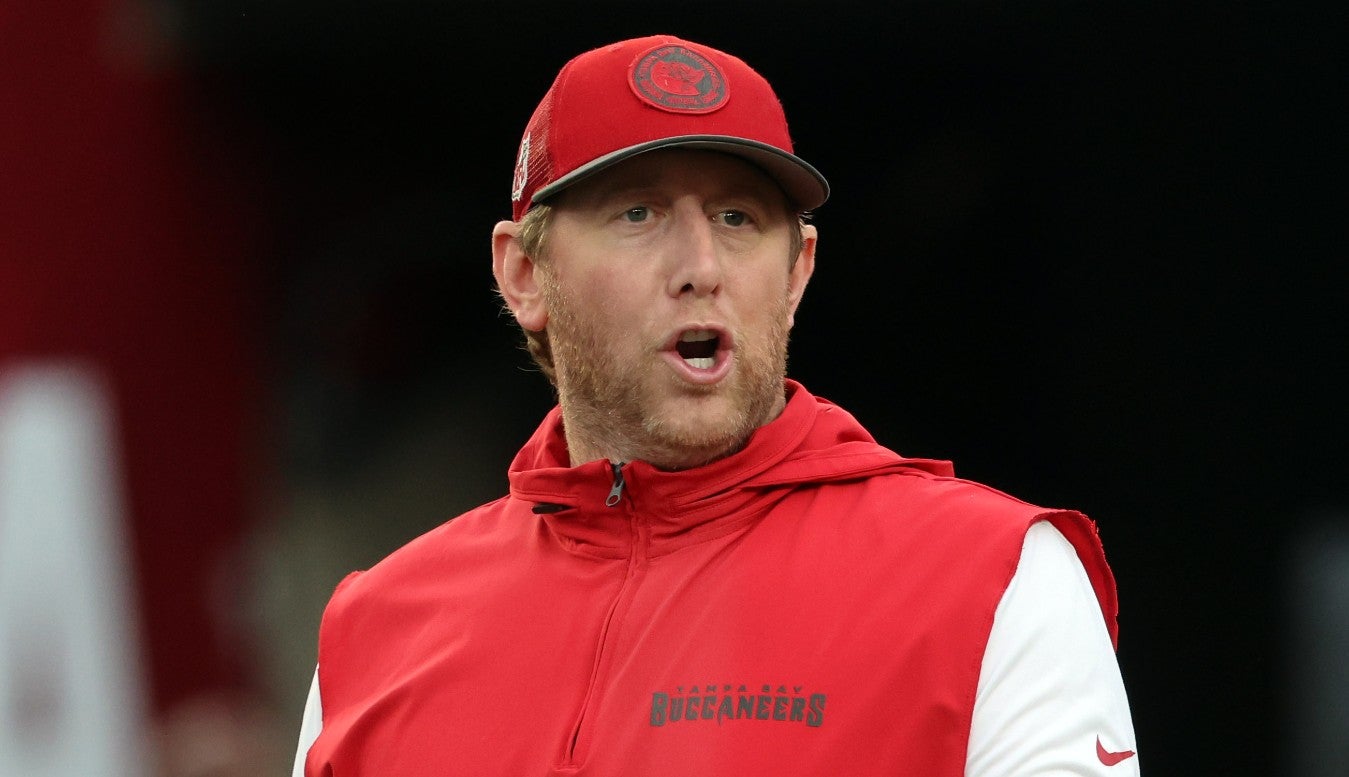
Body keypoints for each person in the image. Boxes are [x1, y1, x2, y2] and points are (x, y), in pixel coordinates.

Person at [292, 34, 1138, 776]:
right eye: (639, 212)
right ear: (522, 275)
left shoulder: (991, 579)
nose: (701, 263)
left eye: (737, 217)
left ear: (798, 270)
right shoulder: (375, 630)